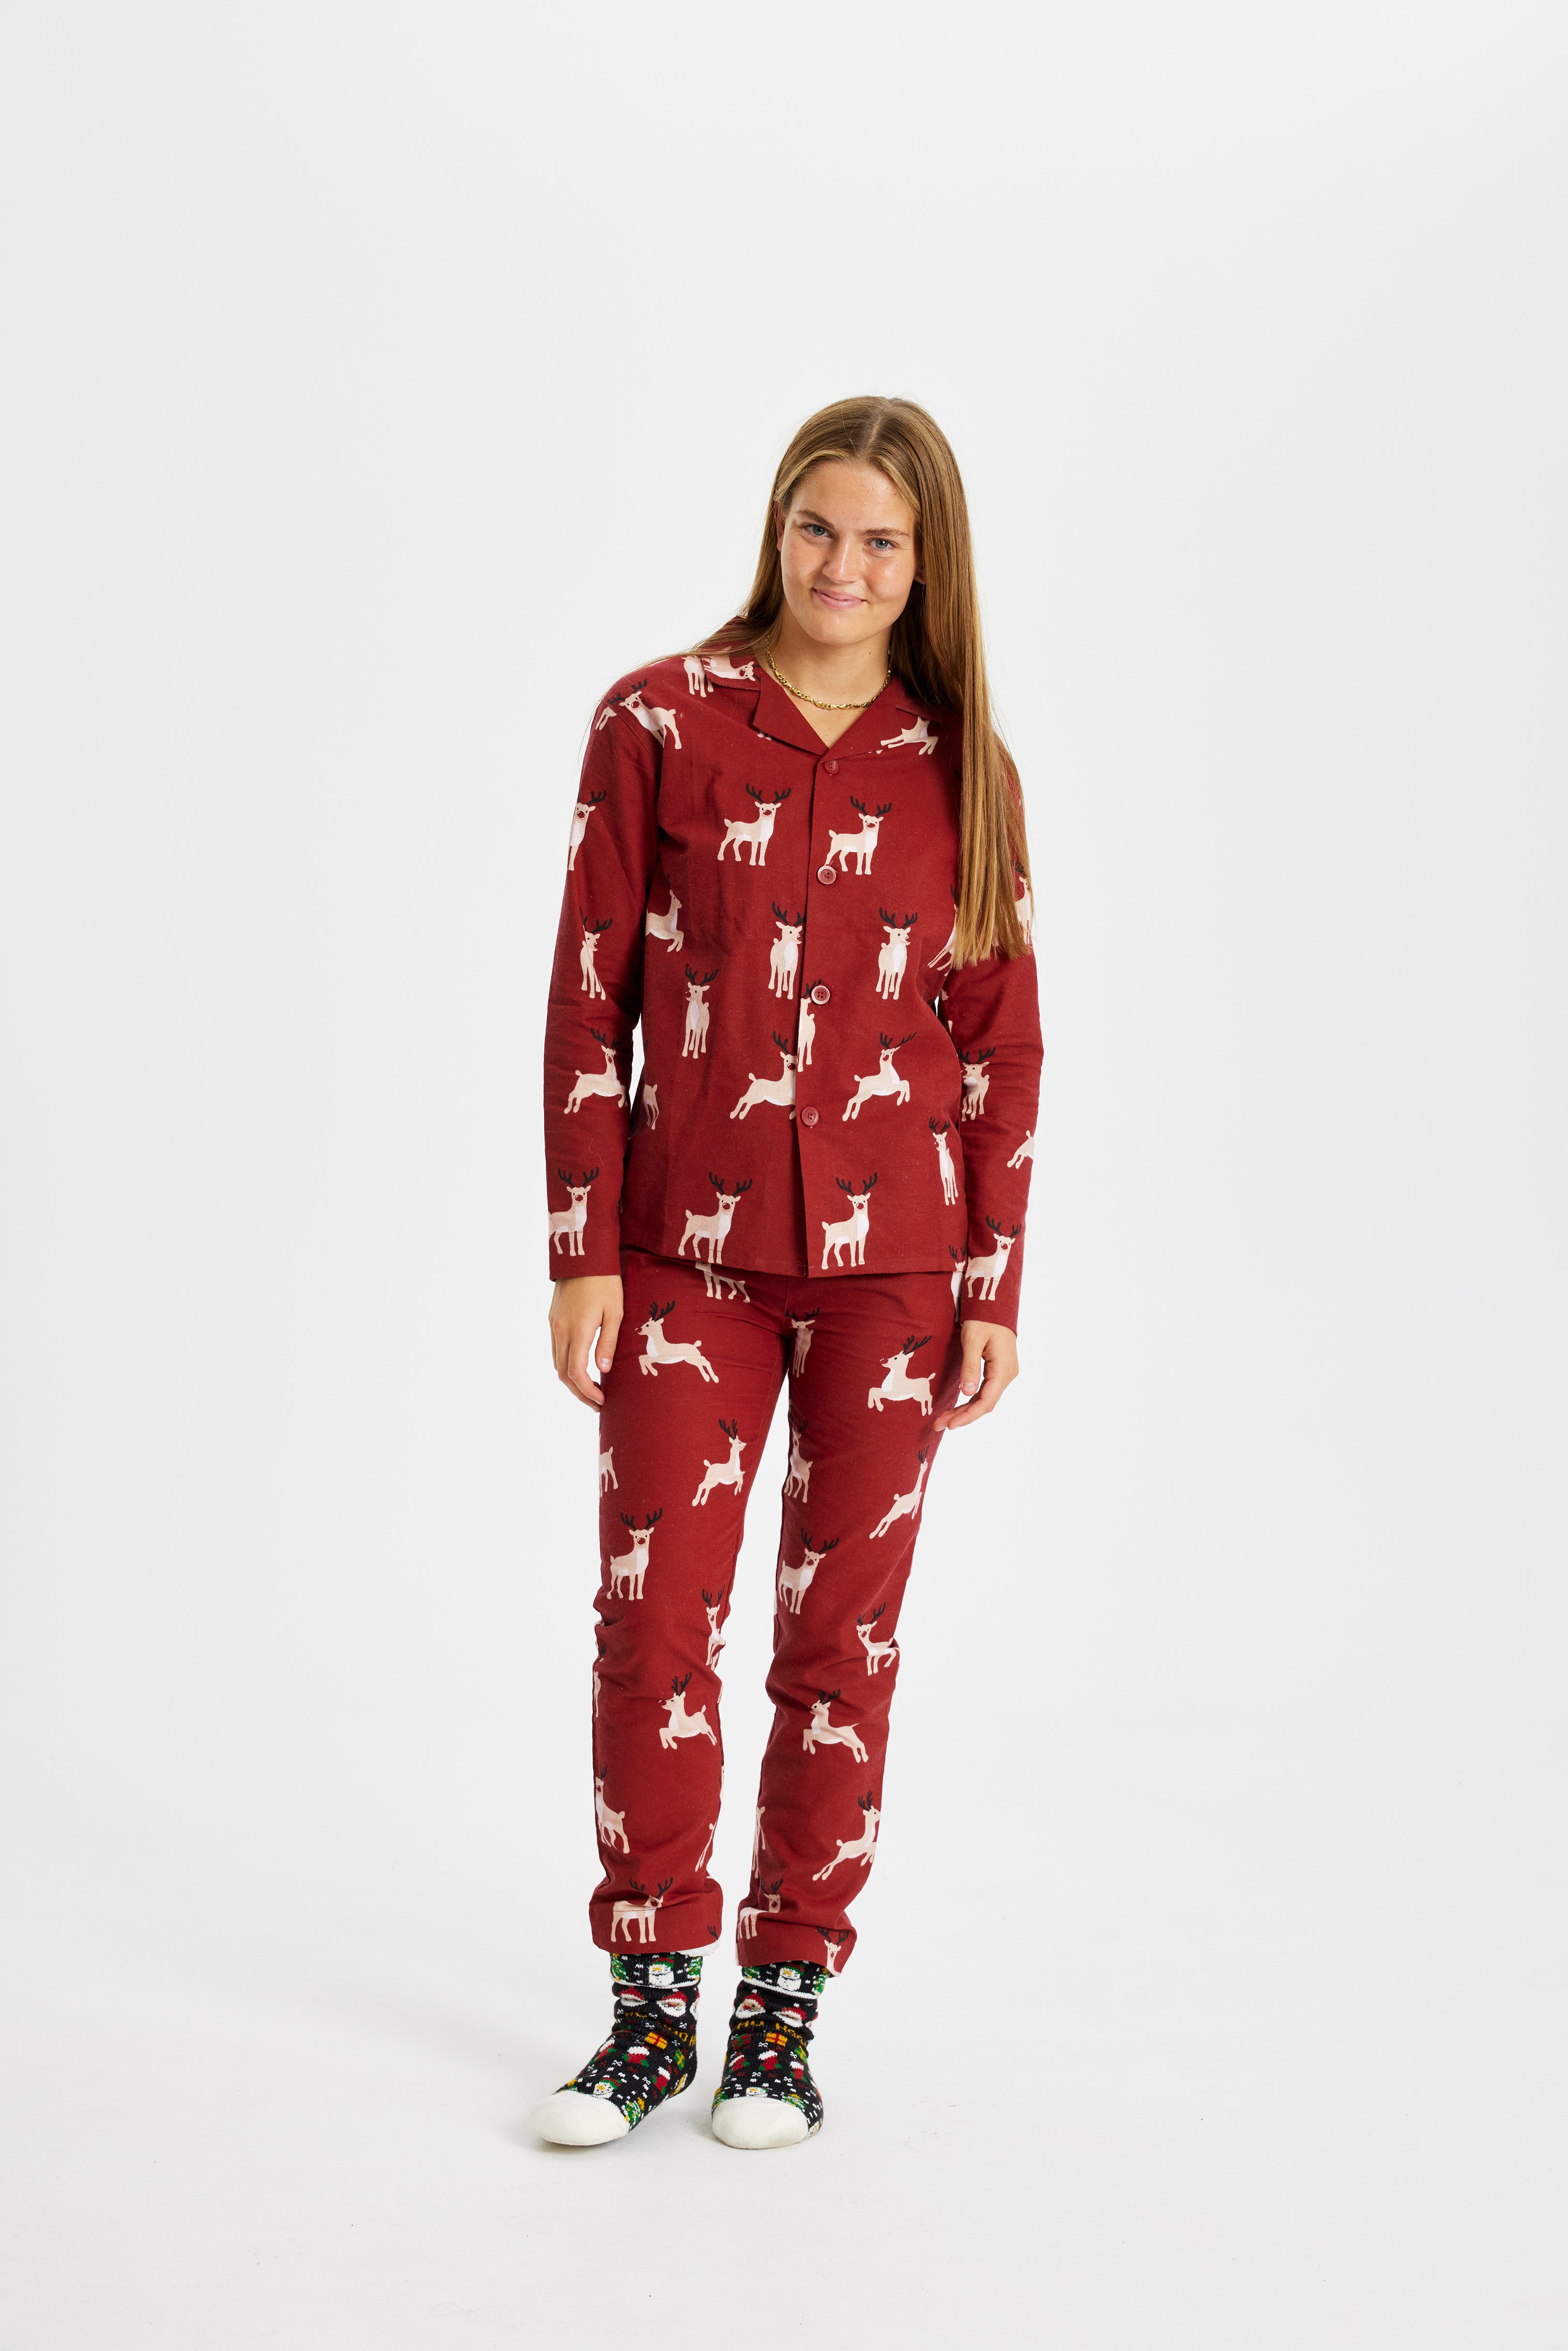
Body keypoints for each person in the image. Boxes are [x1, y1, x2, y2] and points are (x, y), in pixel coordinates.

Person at [531, 396, 1042, 2151]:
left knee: (844, 1643)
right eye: (817, 527)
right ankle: (647, 2011)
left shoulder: (962, 766)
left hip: (893, 1275)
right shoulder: (658, 720)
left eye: (881, 541)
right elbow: (587, 994)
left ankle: (780, 2016)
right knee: (652, 1623)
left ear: (925, 565)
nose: (842, 565)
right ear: (776, 528)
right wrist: (579, 1249)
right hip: (685, 1259)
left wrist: (993, 1284)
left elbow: (1000, 1041)